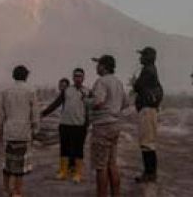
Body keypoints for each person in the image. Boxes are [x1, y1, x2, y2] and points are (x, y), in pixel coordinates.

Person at [88, 54, 130, 197]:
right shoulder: (118, 82)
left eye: (98, 64)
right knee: (112, 164)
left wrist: (87, 102)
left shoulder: (101, 81)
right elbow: (125, 103)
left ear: (104, 66)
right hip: (115, 125)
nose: (96, 67)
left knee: (101, 166)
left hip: (102, 126)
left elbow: (98, 102)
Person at [41, 70, 90, 183]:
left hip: (79, 126)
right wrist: (43, 114)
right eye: (76, 76)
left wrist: (87, 124)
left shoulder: (87, 91)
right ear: (73, 78)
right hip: (65, 124)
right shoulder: (66, 91)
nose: (78, 78)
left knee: (78, 150)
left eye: (80, 76)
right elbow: (56, 103)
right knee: (64, 149)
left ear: (83, 78)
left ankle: (77, 173)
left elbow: (89, 109)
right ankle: (63, 171)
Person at [0, 65, 39, 197]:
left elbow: (2, 113)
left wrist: (1, 128)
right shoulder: (31, 91)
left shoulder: (6, 91)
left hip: (9, 130)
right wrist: (35, 128)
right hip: (23, 131)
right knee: (20, 165)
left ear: (13, 75)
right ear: (26, 76)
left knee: (7, 163)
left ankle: (6, 189)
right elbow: (35, 113)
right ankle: (17, 191)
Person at [132, 46, 163, 183]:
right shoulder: (152, 70)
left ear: (148, 57)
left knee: (147, 143)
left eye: (142, 55)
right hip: (149, 109)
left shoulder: (148, 70)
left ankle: (150, 173)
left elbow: (137, 86)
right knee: (148, 142)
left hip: (147, 109)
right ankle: (150, 172)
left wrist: (135, 83)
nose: (140, 58)